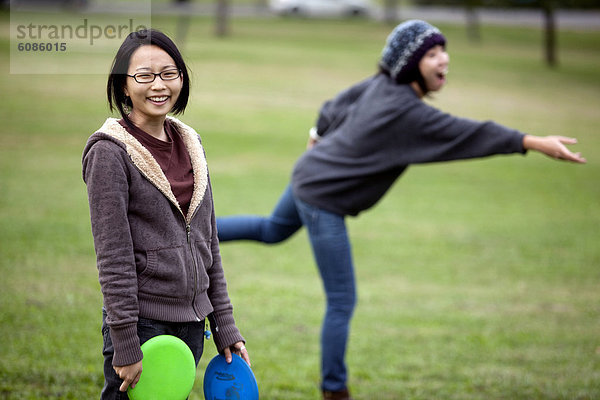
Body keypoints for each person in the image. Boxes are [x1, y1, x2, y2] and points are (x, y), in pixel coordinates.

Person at [216, 20, 586, 400]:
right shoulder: (408, 111)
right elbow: (471, 133)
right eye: (431, 53)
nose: (443, 59)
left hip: (307, 177)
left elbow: (332, 107)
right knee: (341, 300)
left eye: (443, 50)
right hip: (322, 197)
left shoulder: (382, 85)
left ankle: (195, 227)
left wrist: (316, 139)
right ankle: (334, 390)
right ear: (409, 64)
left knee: (271, 230)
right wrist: (533, 142)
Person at [82, 29, 251, 399]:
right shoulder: (109, 153)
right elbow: (113, 258)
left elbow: (209, 243)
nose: (159, 85)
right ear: (124, 86)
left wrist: (224, 324)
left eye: (169, 73)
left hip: (191, 325)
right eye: (144, 75)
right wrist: (125, 340)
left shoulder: (191, 142)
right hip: (142, 325)